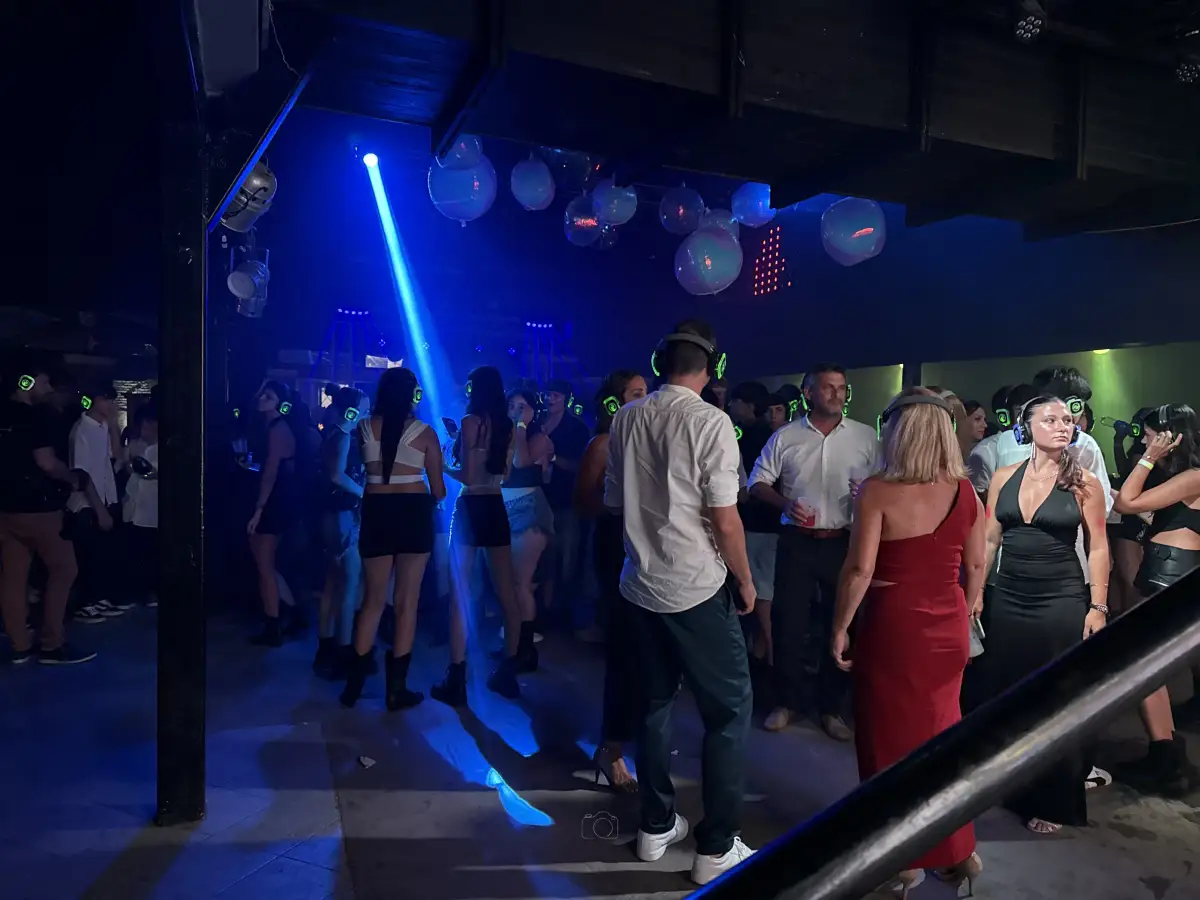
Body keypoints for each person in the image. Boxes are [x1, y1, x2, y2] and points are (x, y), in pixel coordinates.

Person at [606, 321, 756, 885]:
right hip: (695, 587)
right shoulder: (712, 422)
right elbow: (725, 519)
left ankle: (654, 827)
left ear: (659, 363)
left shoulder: (626, 417)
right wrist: (745, 580)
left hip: (638, 586)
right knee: (729, 712)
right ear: (711, 369)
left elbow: (614, 500)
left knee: (653, 706)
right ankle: (715, 847)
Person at [830, 389, 986, 897]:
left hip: (895, 627)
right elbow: (976, 564)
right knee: (944, 738)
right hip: (948, 625)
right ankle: (957, 850)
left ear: (898, 432)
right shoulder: (965, 491)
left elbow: (859, 571)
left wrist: (840, 626)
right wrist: (966, 606)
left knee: (887, 742)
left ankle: (902, 861)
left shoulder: (876, 491)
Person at [965, 395, 1110, 835]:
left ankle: (1054, 796)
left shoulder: (1084, 482)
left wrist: (1098, 605)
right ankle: (1010, 783)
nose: (1063, 425)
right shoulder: (1004, 476)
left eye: (1068, 419)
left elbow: (1098, 546)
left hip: (1060, 599)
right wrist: (976, 592)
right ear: (1026, 426)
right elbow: (989, 539)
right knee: (1009, 691)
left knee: (1055, 696)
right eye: (1051, 419)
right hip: (1009, 597)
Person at [748, 362, 878, 741]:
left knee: (840, 624)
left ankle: (831, 707)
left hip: (843, 541)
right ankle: (785, 702)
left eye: (841, 388)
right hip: (797, 542)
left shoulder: (865, 436)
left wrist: (869, 492)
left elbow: (886, 482)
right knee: (789, 624)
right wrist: (784, 503)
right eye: (828, 387)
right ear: (808, 393)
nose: (837, 394)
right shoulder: (786, 436)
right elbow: (756, 482)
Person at [342, 370, 445, 708]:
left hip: (376, 510)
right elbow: (438, 489)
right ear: (412, 394)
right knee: (406, 602)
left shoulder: (364, 428)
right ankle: (395, 690)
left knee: (372, 600)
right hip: (413, 512)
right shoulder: (425, 433)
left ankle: (353, 686)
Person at [1113, 404, 1200, 797]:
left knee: (1143, 666)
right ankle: (1164, 752)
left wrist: (1147, 459)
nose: (1144, 440)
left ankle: (1166, 759)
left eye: (1150, 434)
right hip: (1167, 570)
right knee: (1147, 667)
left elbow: (1126, 504)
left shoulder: (1193, 476)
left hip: (1172, 575)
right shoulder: (1183, 477)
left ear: (1171, 436)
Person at [574, 369, 647, 793]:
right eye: (636, 393)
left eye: (646, 391)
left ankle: (631, 741)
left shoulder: (651, 438)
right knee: (624, 651)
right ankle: (612, 748)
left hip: (649, 550)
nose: (645, 399)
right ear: (613, 402)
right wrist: (622, 503)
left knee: (644, 655)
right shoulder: (603, 443)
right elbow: (583, 504)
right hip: (615, 548)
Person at [432, 366, 521, 704]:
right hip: (495, 505)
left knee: (461, 592)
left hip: (471, 507)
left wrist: (443, 466)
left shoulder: (471, 423)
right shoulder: (507, 426)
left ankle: (456, 677)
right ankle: (508, 672)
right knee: (507, 592)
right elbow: (506, 474)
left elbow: (469, 476)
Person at [0, 354, 96, 664]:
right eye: (43, 382)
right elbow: (46, 462)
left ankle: (19, 645)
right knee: (65, 569)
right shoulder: (34, 417)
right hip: (38, 509)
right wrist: (70, 478)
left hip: (5, 509)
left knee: (13, 575)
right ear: (25, 383)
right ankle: (52, 644)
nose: (48, 388)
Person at [312, 387, 367, 682]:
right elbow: (337, 474)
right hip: (344, 517)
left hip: (329, 516)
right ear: (352, 411)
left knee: (332, 585)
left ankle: (325, 649)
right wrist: (364, 492)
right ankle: (344, 654)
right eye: (365, 408)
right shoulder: (344, 437)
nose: (368, 413)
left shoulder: (332, 434)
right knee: (349, 586)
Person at [500, 386, 555, 674]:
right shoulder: (505, 433)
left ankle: (525, 648)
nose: (515, 411)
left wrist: (521, 426)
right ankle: (514, 642)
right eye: (512, 405)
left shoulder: (539, 437)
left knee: (522, 583)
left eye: (522, 407)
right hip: (504, 507)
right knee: (510, 582)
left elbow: (521, 462)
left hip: (528, 508)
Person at [67, 381, 126, 623]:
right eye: (106, 399)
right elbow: (82, 475)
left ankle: (98, 598)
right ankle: (85, 604)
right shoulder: (82, 429)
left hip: (106, 497)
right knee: (88, 555)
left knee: (102, 553)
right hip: (86, 503)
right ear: (95, 401)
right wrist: (99, 510)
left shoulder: (103, 426)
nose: (111, 404)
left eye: (112, 399)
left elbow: (117, 457)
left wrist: (113, 427)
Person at [247, 381, 299, 645]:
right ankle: (289, 614)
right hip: (279, 501)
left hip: (274, 503)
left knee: (264, 566)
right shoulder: (273, 427)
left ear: (280, 403)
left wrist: (259, 509)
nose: (261, 399)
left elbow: (271, 472)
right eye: (261, 394)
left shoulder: (277, 429)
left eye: (268, 396)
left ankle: (273, 625)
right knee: (267, 564)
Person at [537, 379, 591, 629]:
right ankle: (542, 610)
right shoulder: (537, 422)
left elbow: (581, 465)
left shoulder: (576, 428)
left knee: (565, 556)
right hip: (538, 497)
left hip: (564, 500)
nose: (550, 399)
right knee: (542, 557)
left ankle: (562, 612)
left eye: (555, 396)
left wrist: (553, 457)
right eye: (547, 395)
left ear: (566, 399)